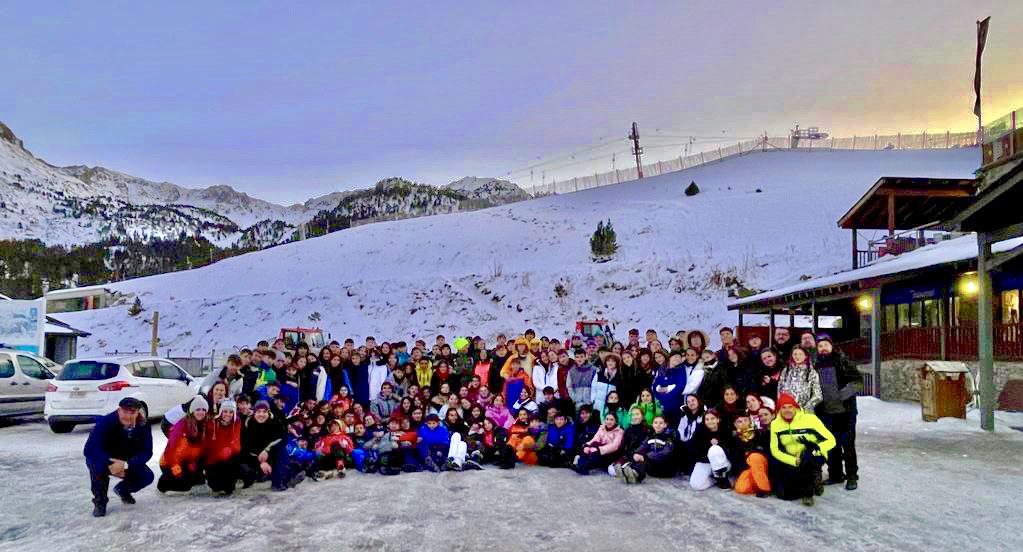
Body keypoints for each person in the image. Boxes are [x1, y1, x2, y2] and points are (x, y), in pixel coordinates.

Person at [83, 397, 154, 517]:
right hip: (105, 458)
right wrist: (110, 463)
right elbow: (90, 449)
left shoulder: (143, 426)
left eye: (132, 413)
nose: (127, 416)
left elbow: (147, 452)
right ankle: (100, 502)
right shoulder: (105, 422)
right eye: (125, 412)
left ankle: (123, 490)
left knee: (147, 476)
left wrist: (126, 464)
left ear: (137, 413)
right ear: (119, 410)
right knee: (96, 465)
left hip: (127, 460)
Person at [770, 393, 836, 506]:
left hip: (813, 453)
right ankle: (813, 483)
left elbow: (831, 440)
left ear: (795, 407)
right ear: (779, 409)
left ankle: (808, 493)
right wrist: (793, 460)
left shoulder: (810, 419)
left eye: (790, 407)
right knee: (785, 495)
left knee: (807, 460)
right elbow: (775, 450)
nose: (787, 410)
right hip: (792, 458)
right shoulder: (775, 424)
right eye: (783, 407)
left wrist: (816, 449)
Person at [814, 335, 861, 490]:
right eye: (820, 346)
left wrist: (841, 396)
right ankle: (835, 474)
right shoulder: (815, 365)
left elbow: (857, 381)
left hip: (845, 411)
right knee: (830, 444)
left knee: (847, 445)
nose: (823, 348)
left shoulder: (843, 361)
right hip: (826, 412)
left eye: (826, 345)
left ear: (831, 346)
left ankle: (852, 476)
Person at [157, 396, 209, 493]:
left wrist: (192, 463)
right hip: (170, 462)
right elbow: (170, 450)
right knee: (185, 486)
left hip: (187, 461)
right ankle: (163, 482)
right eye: (197, 409)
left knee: (199, 481)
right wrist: (175, 466)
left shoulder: (205, 426)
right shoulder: (181, 425)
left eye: (203, 410)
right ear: (192, 411)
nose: (201, 412)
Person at [239, 400, 289, 491]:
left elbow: (283, 438)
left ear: (268, 412)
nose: (261, 414)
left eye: (264, 411)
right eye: (258, 411)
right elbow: (246, 446)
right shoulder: (248, 423)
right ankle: (253, 477)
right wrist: (261, 461)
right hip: (255, 457)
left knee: (283, 452)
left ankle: (278, 482)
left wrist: (267, 450)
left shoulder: (275, 421)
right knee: (242, 463)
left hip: (271, 454)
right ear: (254, 412)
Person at [619, 415, 677, 484]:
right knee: (639, 458)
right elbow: (642, 447)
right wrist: (636, 454)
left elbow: (665, 453)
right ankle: (632, 474)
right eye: (655, 423)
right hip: (653, 468)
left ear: (665, 425)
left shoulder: (668, 437)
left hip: (665, 469)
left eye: (661, 423)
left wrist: (645, 456)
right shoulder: (650, 436)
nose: (658, 425)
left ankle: (634, 473)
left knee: (644, 459)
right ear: (652, 425)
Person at [203, 399, 242, 496]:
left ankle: (231, 482)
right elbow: (207, 445)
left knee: (228, 488)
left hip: (228, 459)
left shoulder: (236, 422)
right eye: (225, 411)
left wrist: (229, 448)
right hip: (214, 459)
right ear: (221, 412)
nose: (228, 414)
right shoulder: (212, 424)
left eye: (231, 412)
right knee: (216, 487)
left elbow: (236, 443)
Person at [688, 408, 732, 491]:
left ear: (718, 419)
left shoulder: (725, 430)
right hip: (705, 461)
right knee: (696, 485)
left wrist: (719, 444)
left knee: (714, 449)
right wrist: (708, 444)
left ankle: (723, 480)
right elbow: (693, 448)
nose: (710, 421)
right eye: (707, 419)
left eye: (713, 418)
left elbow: (730, 449)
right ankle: (715, 479)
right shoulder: (700, 431)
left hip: (723, 463)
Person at [730, 413, 771, 497]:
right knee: (741, 489)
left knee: (754, 457)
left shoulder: (760, 434)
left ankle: (764, 488)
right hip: (748, 468)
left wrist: (751, 453)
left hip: (762, 465)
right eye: (740, 422)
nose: (744, 423)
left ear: (750, 421)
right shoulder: (734, 440)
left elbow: (768, 451)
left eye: (745, 420)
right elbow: (735, 460)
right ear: (735, 424)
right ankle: (757, 483)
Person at [777, 346, 823, 412]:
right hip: (786, 411)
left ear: (806, 356)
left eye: (800, 354)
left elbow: (818, 396)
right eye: (795, 354)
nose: (797, 356)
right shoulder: (786, 370)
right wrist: (782, 405)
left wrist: (805, 409)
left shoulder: (811, 372)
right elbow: (780, 389)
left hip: (803, 412)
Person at [653, 352, 687, 429]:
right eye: (675, 357)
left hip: (676, 406)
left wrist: (666, 391)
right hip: (663, 406)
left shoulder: (681, 370)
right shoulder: (663, 370)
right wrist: (659, 389)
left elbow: (680, 387)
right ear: (669, 358)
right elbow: (655, 386)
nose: (677, 359)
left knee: (674, 427)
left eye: (679, 357)